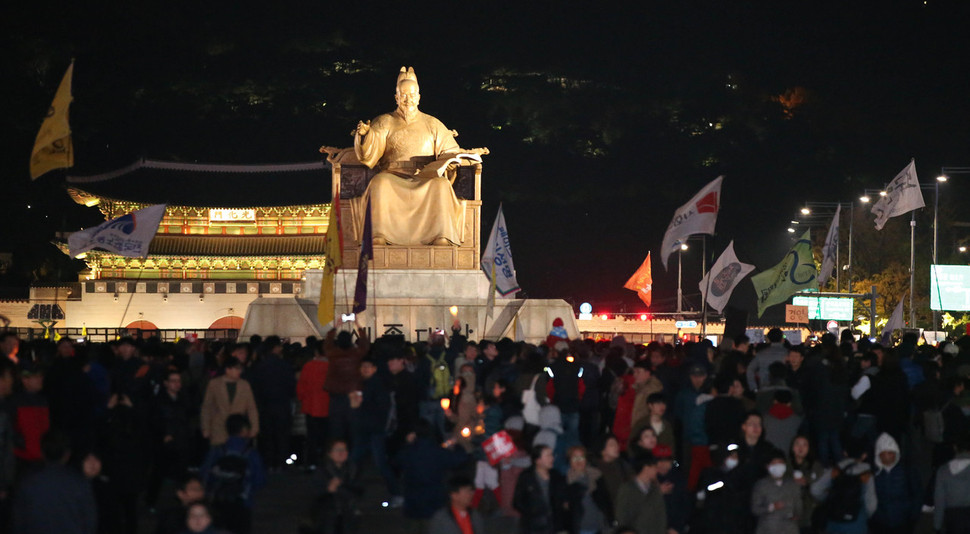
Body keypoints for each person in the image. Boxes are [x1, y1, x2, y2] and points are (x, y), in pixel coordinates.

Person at [340, 67, 487, 246]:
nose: (408, 99)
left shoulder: (433, 124)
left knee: (441, 185)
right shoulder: (384, 121)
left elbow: (450, 151)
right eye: (403, 95)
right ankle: (378, 235)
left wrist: (455, 161)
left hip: (425, 176)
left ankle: (441, 236)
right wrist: (364, 135)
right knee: (380, 183)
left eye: (412, 94)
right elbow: (369, 153)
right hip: (393, 175)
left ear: (419, 96)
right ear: (396, 97)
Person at [13, 429, 97, 534]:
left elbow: (18, 522)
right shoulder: (79, 483)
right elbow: (89, 522)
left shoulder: (27, 483)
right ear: (67, 454)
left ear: (42, 452)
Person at [200, 414, 266, 534]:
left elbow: (205, 474)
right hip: (243, 501)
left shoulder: (217, 450)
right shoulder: (250, 453)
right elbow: (259, 480)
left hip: (218, 501)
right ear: (244, 430)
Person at [249, 336, 296, 472]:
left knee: (267, 436)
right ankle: (281, 463)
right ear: (275, 348)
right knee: (282, 435)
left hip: (265, 406)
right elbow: (291, 386)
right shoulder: (285, 365)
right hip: (282, 404)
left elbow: (255, 388)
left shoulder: (259, 367)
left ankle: (269, 463)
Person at [200, 357, 259, 446]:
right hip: (219, 428)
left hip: (238, 429)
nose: (239, 371)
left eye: (240, 369)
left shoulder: (244, 385)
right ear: (227, 369)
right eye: (236, 369)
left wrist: (254, 428)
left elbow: (251, 408)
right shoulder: (214, 384)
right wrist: (206, 428)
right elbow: (207, 407)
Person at [870, 432, 921, 534]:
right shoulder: (873, 474)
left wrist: (913, 517)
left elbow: (917, 494)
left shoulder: (907, 471)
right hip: (880, 523)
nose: (888, 456)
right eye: (884, 453)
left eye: (890, 452)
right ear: (879, 455)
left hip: (902, 522)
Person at [513, 444, 568, 534]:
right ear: (538, 460)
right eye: (548, 455)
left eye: (552, 455)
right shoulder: (526, 477)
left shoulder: (556, 476)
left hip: (554, 526)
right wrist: (534, 513)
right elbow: (517, 502)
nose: (552, 458)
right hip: (533, 527)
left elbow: (563, 498)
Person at [313, 439, 363, 534]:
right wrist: (328, 490)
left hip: (348, 513)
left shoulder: (353, 469)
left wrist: (341, 487)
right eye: (337, 450)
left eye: (344, 450)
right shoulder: (322, 470)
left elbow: (359, 490)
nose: (341, 453)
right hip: (327, 514)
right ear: (329, 453)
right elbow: (315, 493)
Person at [613, 453, 667, 534]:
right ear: (646, 468)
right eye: (655, 467)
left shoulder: (655, 489)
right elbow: (621, 516)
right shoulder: (627, 489)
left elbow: (661, 517)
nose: (657, 471)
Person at [297, 340, 330, 471]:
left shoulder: (308, 366)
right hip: (328, 407)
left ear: (316, 352)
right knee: (327, 436)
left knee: (312, 436)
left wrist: (303, 400)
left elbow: (301, 387)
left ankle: (312, 462)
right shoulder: (332, 367)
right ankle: (326, 461)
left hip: (310, 406)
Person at [751, 449, 801, 534]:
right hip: (768, 529)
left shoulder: (792, 485)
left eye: (780, 463)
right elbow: (755, 509)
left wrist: (796, 515)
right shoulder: (761, 485)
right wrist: (771, 507)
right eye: (775, 463)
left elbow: (799, 507)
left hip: (790, 529)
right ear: (768, 466)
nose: (778, 466)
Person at [565, 445, 608, 534]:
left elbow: (606, 502)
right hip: (580, 528)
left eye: (581, 458)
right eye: (575, 458)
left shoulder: (597, 476)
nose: (578, 461)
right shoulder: (565, 482)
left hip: (600, 526)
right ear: (569, 461)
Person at [788, 435, 824, 534]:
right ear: (792, 447)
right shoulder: (785, 465)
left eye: (804, 445)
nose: (801, 448)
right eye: (797, 444)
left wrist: (807, 481)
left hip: (809, 513)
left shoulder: (816, 466)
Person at [934, 434, 970, 534]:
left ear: (955, 448)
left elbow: (939, 500)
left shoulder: (943, 470)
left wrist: (937, 525)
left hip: (953, 519)